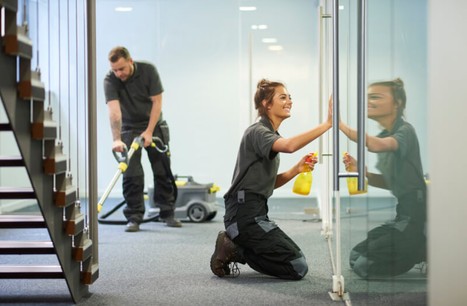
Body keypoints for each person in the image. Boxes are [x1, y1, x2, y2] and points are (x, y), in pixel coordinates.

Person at [210, 79, 332, 280]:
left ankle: (238, 245)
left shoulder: (269, 134)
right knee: (297, 267)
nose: (289, 101)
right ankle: (235, 248)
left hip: (255, 213)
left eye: (290, 97)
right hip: (243, 216)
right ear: (266, 104)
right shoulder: (258, 131)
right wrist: (327, 124)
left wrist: (295, 170)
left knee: (296, 261)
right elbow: (290, 146)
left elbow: (265, 183)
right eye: (283, 97)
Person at [340, 78, 427, 278]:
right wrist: (365, 173)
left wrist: (340, 125)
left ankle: (421, 248)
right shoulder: (386, 133)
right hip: (402, 214)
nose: (368, 102)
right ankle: (418, 246)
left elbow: (376, 144)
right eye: (368, 97)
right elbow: (392, 182)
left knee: (364, 267)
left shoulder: (405, 131)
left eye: (376, 97)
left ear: (397, 103)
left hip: (415, 215)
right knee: (355, 256)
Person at [103, 46, 182, 232]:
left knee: (162, 170)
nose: (118, 73)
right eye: (115, 69)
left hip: (154, 125)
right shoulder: (110, 79)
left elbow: (157, 102)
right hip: (129, 128)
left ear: (130, 61)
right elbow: (114, 112)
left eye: (121, 68)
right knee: (131, 174)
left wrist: (149, 131)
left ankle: (167, 213)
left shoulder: (148, 71)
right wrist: (116, 139)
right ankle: (134, 217)